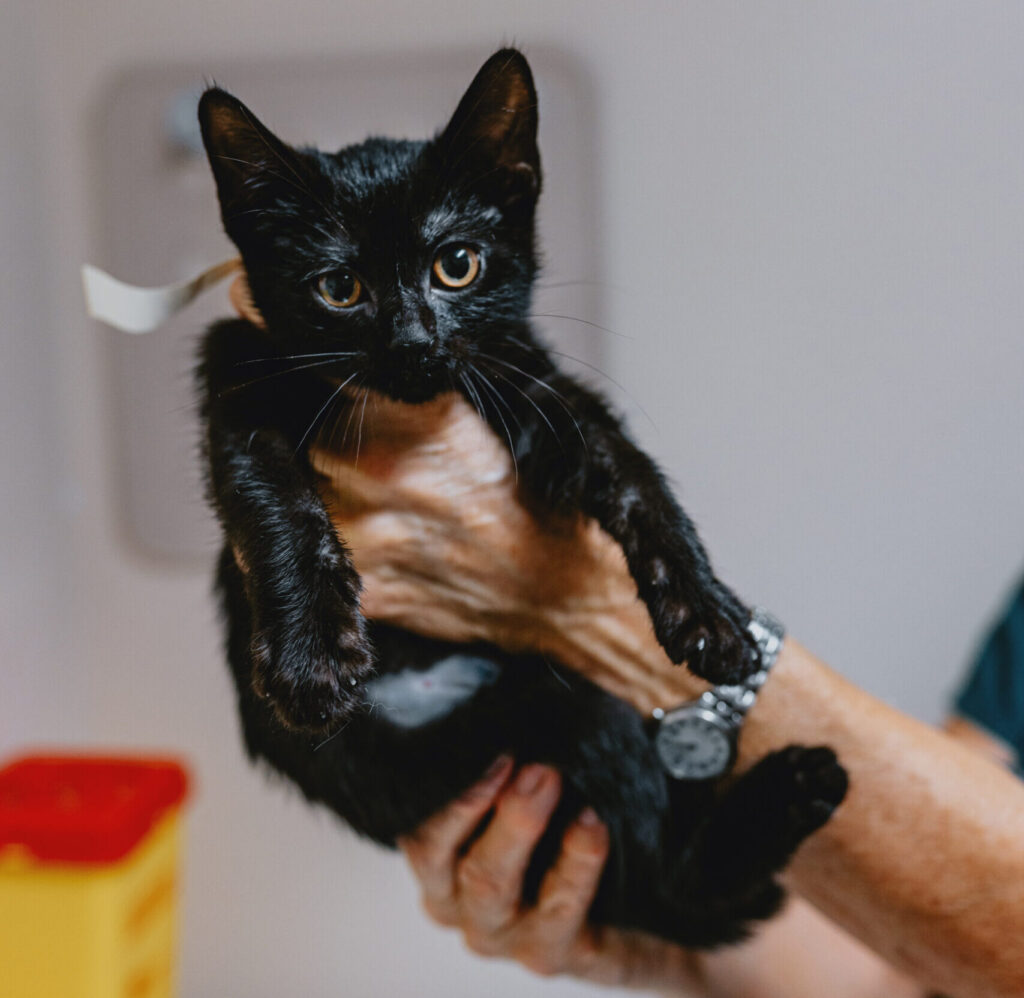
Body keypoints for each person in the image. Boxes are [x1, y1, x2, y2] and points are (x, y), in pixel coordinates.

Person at [229, 279, 1024, 998]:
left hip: (508, 718)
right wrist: (663, 953)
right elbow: (921, 947)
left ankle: (686, 882)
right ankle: (683, 887)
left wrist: (600, 618)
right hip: (412, 730)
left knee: (583, 725)